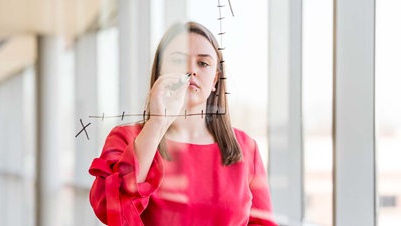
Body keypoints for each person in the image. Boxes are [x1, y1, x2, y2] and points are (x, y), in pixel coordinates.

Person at [88, 21, 277, 226]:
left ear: (214, 81)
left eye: (203, 63)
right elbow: (110, 208)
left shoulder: (246, 148)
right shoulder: (125, 138)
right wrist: (157, 123)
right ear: (160, 70)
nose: (191, 70)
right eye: (178, 61)